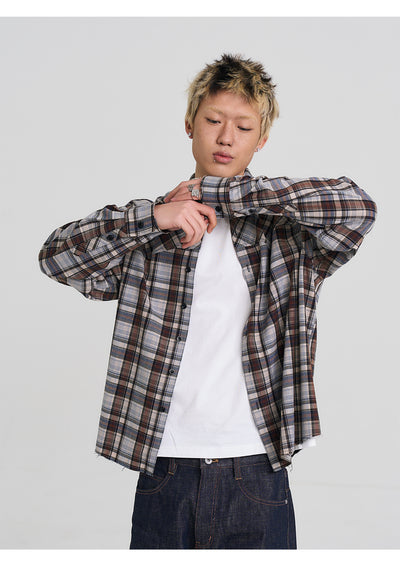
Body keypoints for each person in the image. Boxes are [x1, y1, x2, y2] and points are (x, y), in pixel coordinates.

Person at [38, 54, 377, 549]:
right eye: (214, 120)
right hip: (166, 467)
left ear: (261, 139)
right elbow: (56, 258)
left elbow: (357, 205)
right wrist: (156, 215)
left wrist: (221, 193)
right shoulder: (153, 233)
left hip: (257, 465)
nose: (226, 138)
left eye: (243, 127)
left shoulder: (286, 238)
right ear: (189, 124)